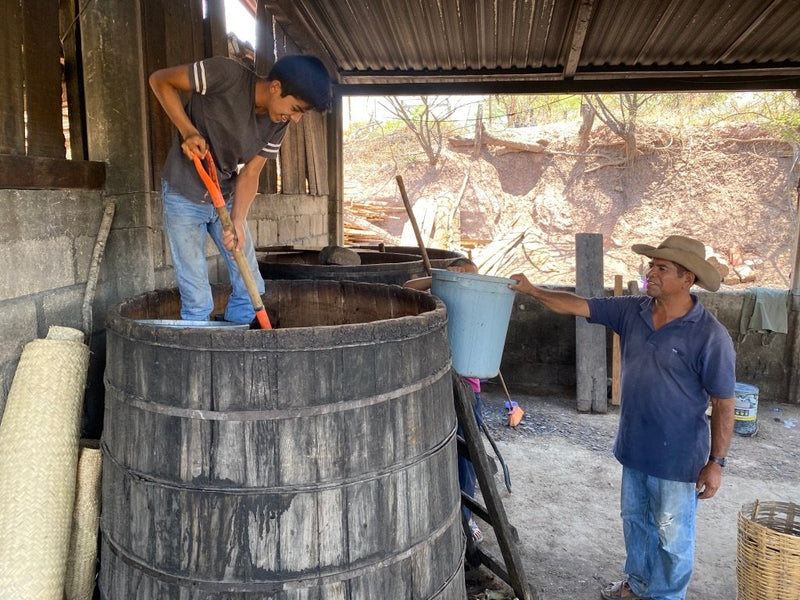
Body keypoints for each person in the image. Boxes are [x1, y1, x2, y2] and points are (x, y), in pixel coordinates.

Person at [509, 235, 736, 600]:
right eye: (652, 265)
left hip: (678, 459)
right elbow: (578, 305)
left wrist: (717, 463)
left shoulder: (710, 335)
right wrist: (533, 291)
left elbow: (724, 404)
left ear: (687, 279)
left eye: (662, 268)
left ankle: (665, 597)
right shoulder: (634, 310)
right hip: (634, 448)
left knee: (673, 538)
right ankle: (638, 586)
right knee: (637, 525)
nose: (651, 272)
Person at [149, 54, 331, 323]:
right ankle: (199, 358)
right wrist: (188, 131)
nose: (294, 119)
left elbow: (251, 172)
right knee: (198, 299)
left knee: (252, 289)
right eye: (295, 109)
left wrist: (237, 219)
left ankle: (234, 352)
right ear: (276, 87)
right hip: (184, 194)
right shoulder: (225, 74)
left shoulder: (277, 123)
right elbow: (160, 80)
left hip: (225, 194)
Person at [404, 258, 486, 543]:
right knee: (439, 446)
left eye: (473, 277)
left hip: (467, 387)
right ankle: (445, 509)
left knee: (467, 456)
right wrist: (440, 277)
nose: (467, 282)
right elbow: (407, 287)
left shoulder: (481, 303)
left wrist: (470, 280)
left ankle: (466, 517)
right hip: (438, 380)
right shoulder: (442, 298)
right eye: (462, 276)